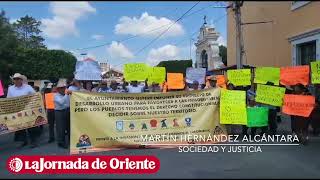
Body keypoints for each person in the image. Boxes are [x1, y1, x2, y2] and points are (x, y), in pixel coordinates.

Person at [7, 73, 38, 148]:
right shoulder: (10, 88)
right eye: (15, 79)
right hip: (17, 111)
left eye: (18, 79)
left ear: (21, 80)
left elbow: (35, 96)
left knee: (31, 126)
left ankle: (33, 141)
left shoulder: (28, 87)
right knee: (20, 127)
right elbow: (8, 99)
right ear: (13, 80)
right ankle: (23, 141)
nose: (16, 80)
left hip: (28, 110)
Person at [54, 80, 71, 149]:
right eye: (61, 88)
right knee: (61, 128)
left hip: (67, 111)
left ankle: (70, 141)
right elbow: (61, 102)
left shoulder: (67, 94)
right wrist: (67, 94)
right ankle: (61, 142)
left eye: (63, 87)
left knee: (69, 127)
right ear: (58, 89)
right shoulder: (56, 96)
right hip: (59, 112)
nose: (63, 89)